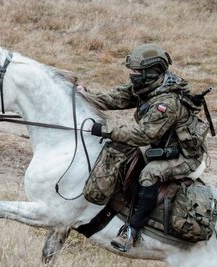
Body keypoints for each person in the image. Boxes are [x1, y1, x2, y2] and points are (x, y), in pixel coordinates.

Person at [80, 44, 209, 252]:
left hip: (185, 157)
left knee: (149, 174)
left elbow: (143, 135)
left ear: (151, 73)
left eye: (137, 71)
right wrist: (85, 94)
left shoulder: (167, 102)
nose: (132, 75)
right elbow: (115, 98)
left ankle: (131, 232)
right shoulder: (147, 88)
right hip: (161, 146)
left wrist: (104, 130)